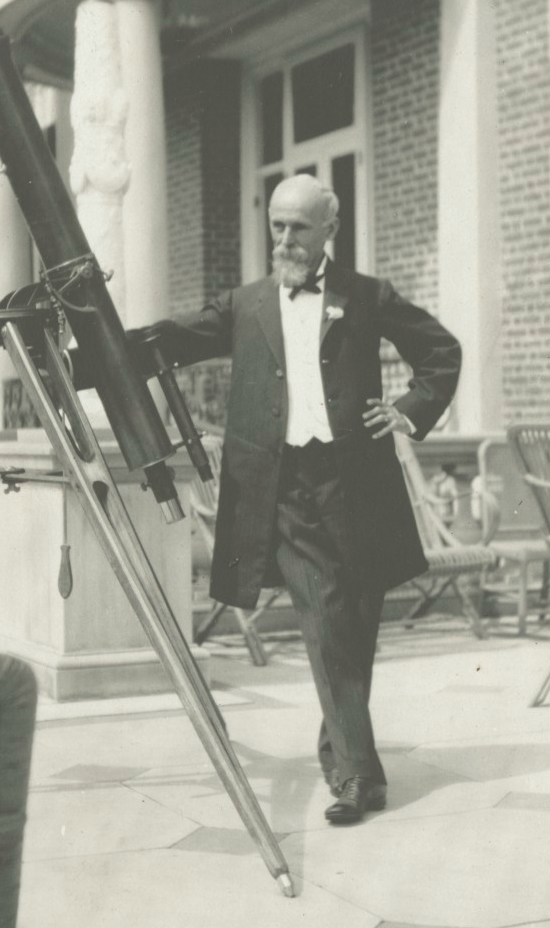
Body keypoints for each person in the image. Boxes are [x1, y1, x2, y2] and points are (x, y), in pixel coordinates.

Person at [137, 174, 461, 823]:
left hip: (358, 485)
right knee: (324, 609)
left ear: (328, 230)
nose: (284, 238)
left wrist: (409, 409)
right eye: (277, 225)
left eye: (299, 228)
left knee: (355, 621)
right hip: (283, 488)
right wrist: (87, 349)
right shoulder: (247, 302)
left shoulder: (367, 296)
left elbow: (440, 350)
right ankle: (359, 778)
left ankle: (338, 750)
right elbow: (170, 339)